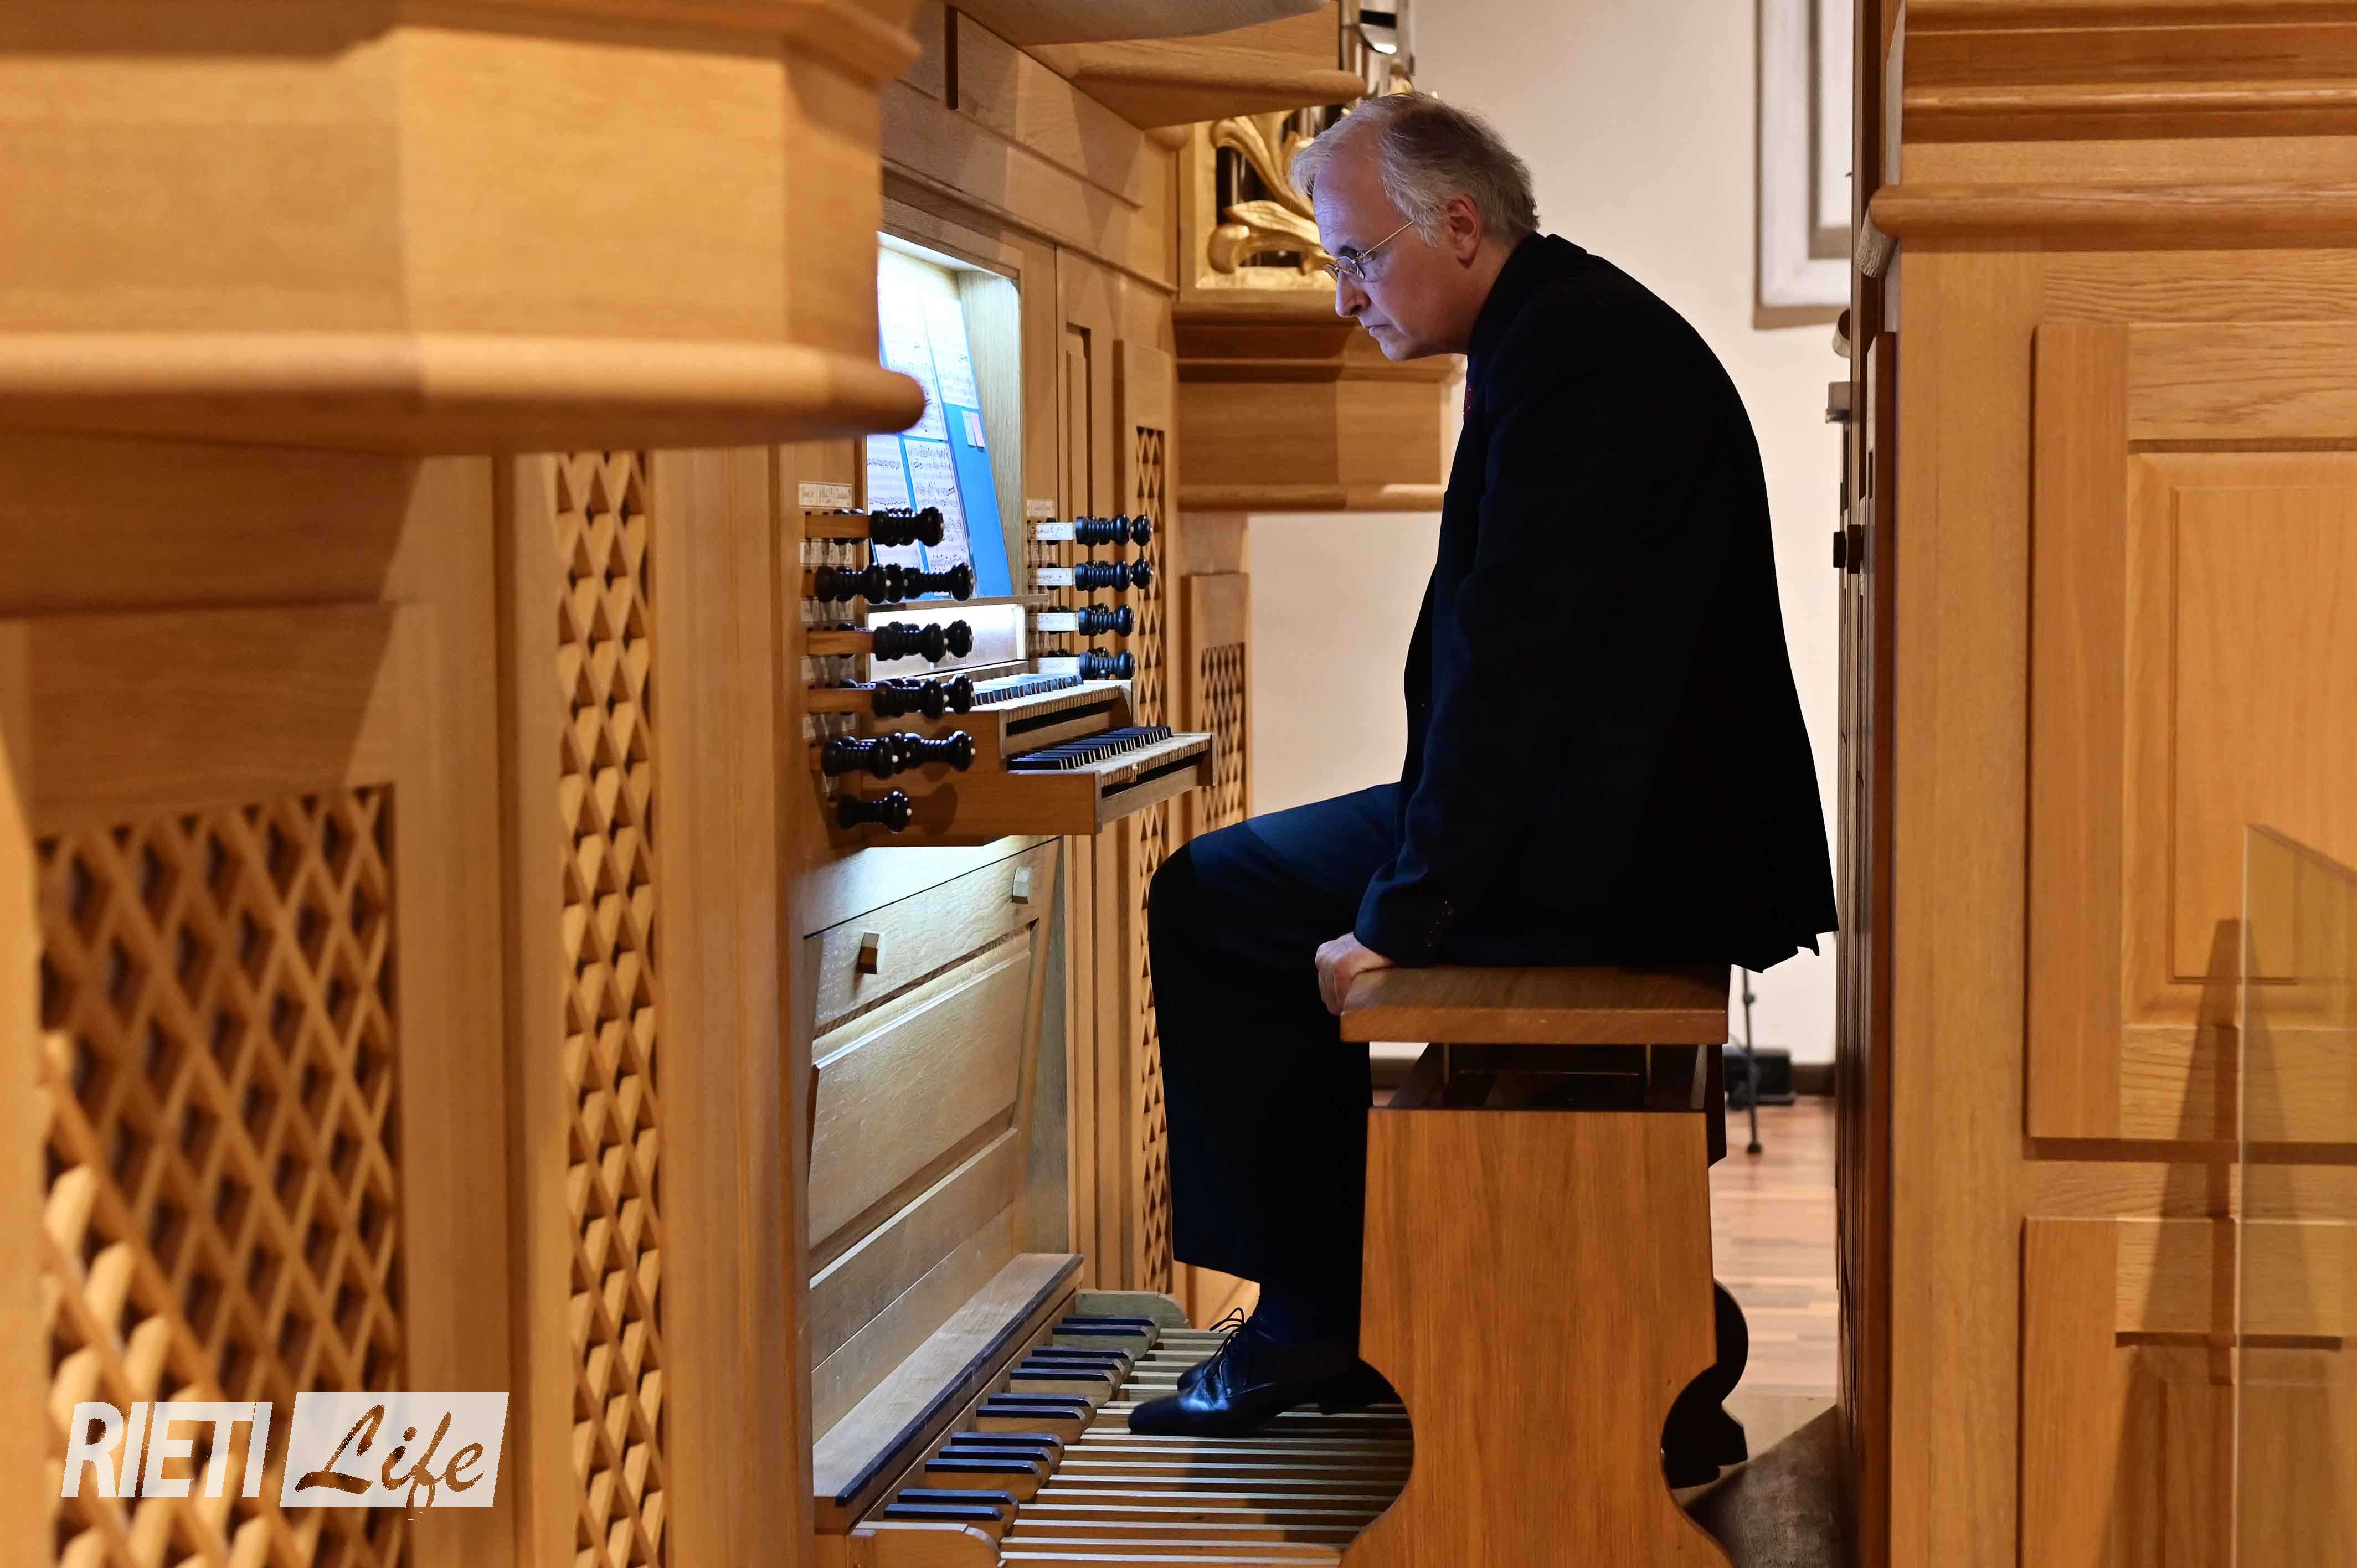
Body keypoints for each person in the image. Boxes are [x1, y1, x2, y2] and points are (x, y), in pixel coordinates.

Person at [1129, 93, 1838, 1439]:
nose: (1342, 294)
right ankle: (1373, 1301)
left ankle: (1313, 1321)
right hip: (1622, 827)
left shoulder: (1574, 361)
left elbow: (1523, 685)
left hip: (1618, 856)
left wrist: (1405, 916)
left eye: (1355, 256)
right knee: (1241, 886)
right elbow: (1522, 674)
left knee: (1216, 900)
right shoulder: (1567, 332)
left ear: (1458, 225)